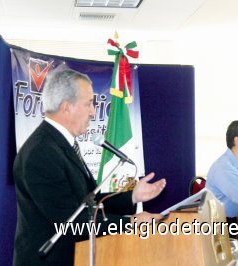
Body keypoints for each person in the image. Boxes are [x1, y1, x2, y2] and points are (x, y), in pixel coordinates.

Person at [13, 69, 166, 266]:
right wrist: (131, 223)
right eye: (88, 104)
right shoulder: (41, 152)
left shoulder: (60, 144)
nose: (94, 112)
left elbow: (89, 203)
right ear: (67, 108)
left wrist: (133, 196)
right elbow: (70, 223)